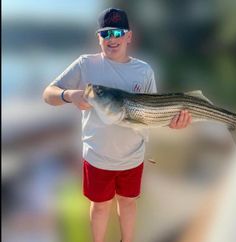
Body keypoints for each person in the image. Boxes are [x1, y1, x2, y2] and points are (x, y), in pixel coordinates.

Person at [43, 7, 192, 242]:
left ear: (129, 36)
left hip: (133, 157)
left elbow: (152, 111)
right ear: (98, 37)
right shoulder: (85, 64)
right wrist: (69, 95)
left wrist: (171, 123)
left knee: (129, 203)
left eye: (118, 32)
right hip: (97, 156)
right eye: (106, 33)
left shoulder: (144, 70)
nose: (113, 39)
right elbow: (48, 93)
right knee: (100, 207)